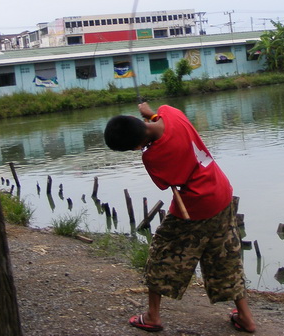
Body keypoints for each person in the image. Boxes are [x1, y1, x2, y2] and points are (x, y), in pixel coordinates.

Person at [104, 102, 257, 333]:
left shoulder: (152, 157)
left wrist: (146, 149)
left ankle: (153, 316)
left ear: (136, 146)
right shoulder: (170, 112)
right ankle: (245, 317)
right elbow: (165, 123)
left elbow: (165, 183)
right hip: (221, 190)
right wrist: (152, 115)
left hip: (196, 206)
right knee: (224, 255)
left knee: (162, 253)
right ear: (138, 119)